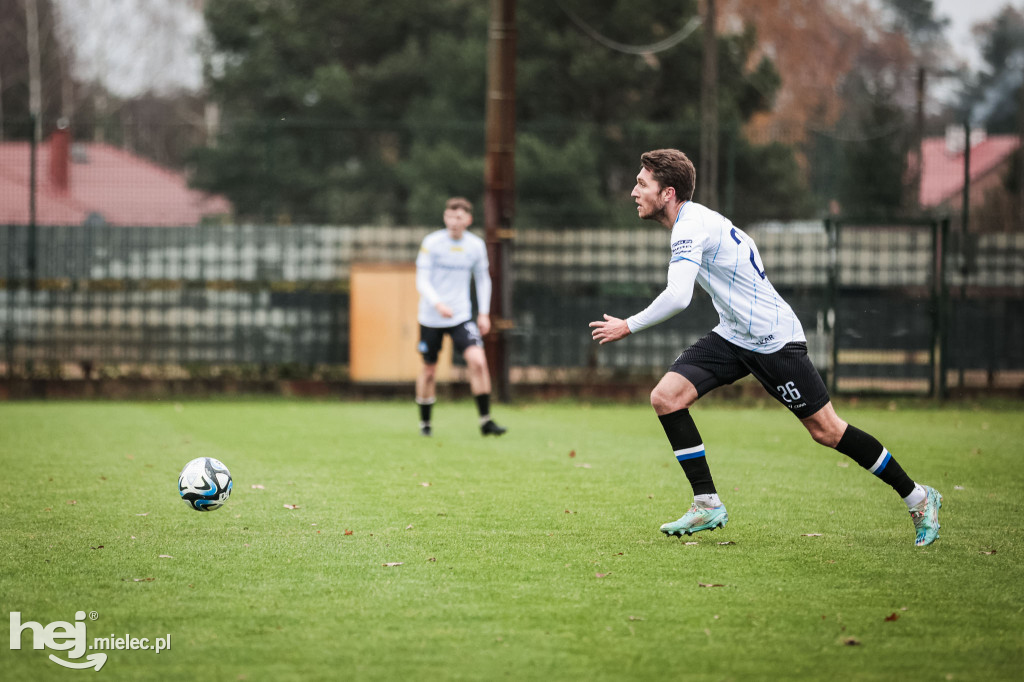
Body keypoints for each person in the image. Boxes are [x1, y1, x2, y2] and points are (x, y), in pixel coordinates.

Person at [588, 149, 942, 547]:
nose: (634, 191)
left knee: (827, 431)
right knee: (666, 397)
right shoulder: (698, 220)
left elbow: (678, 297)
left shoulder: (690, 227)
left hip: (774, 341)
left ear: (668, 192)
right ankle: (707, 503)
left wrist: (627, 325)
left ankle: (919, 498)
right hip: (734, 335)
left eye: (641, 183)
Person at [415, 197, 507, 437]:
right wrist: (438, 303)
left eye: (458, 217)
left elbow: (483, 278)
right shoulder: (432, 243)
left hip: (461, 317)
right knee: (429, 371)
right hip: (431, 317)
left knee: (478, 361)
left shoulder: (475, 246)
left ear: (468, 220)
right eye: (449, 216)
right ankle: (425, 424)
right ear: (444, 217)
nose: (453, 222)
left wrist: (484, 313)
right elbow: (421, 280)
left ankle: (486, 421)